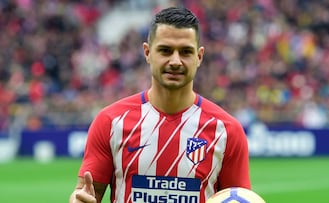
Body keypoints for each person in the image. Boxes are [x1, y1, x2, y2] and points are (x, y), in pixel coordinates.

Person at [69, 7, 251, 203]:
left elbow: (238, 199)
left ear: (199, 57)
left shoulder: (227, 131)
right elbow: (86, 193)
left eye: (185, 52)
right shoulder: (110, 122)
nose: (175, 61)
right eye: (165, 50)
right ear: (147, 52)